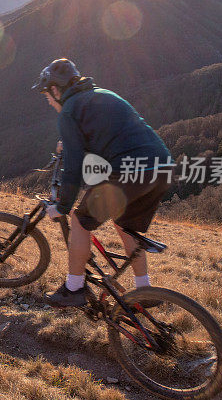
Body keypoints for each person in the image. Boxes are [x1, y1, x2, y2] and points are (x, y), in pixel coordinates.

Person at [33, 58, 173, 306]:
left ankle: (74, 288)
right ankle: (145, 290)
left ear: (56, 89)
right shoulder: (104, 94)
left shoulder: (68, 111)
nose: (48, 101)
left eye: (47, 95)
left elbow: (74, 168)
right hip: (161, 166)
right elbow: (113, 134)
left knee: (79, 220)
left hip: (128, 171)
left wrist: (63, 206)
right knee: (125, 224)